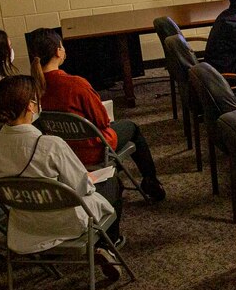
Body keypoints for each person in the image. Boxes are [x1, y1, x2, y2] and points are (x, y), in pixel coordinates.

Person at [0, 76, 123, 279]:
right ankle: (106, 246)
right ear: (31, 106)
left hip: (24, 223)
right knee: (112, 182)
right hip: (65, 222)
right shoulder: (50, 144)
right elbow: (82, 187)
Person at [28, 28, 165, 202]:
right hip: (92, 149)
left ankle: (116, 179)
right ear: (57, 51)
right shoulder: (75, 84)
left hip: (62, 152)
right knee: (132, 128)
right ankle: (150, 181)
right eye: (62, 46)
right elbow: (102, 121)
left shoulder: (33, 88)